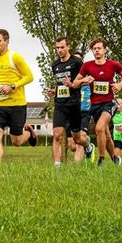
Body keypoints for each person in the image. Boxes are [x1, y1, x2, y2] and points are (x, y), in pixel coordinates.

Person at [0, 29, 37, 163]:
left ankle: (29, 132)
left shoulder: (15, 57)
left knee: (16, 141)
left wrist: (13, 86)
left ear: (6, 41)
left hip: (16, 105)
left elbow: (29, 77)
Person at [72, 38, 122, 166]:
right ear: (92, 51)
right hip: (95, 105)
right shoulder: (87, 66)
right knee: (106, 134)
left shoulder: (113, 64)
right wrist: (84, 80)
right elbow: (75, 83)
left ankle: (101, 160)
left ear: (104, 49)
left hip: (109, 103)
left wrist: (120, 85)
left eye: (99, 48)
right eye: (94, 49)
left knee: (99, 129)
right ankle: (115, 158)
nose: (97, 50)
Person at [47, 38, 93, 167]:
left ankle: (88, 145)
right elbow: (59, 84)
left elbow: (87, 79)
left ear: (68, 47)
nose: (60, 50)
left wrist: (72, 84)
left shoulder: (77, 62)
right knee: (57, 135)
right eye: (57, 48)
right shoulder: (55, 65)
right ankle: (57, 166)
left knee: (77, 139)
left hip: (73, 104)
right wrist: (54, 91)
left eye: (62, 47)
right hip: (60, 105)